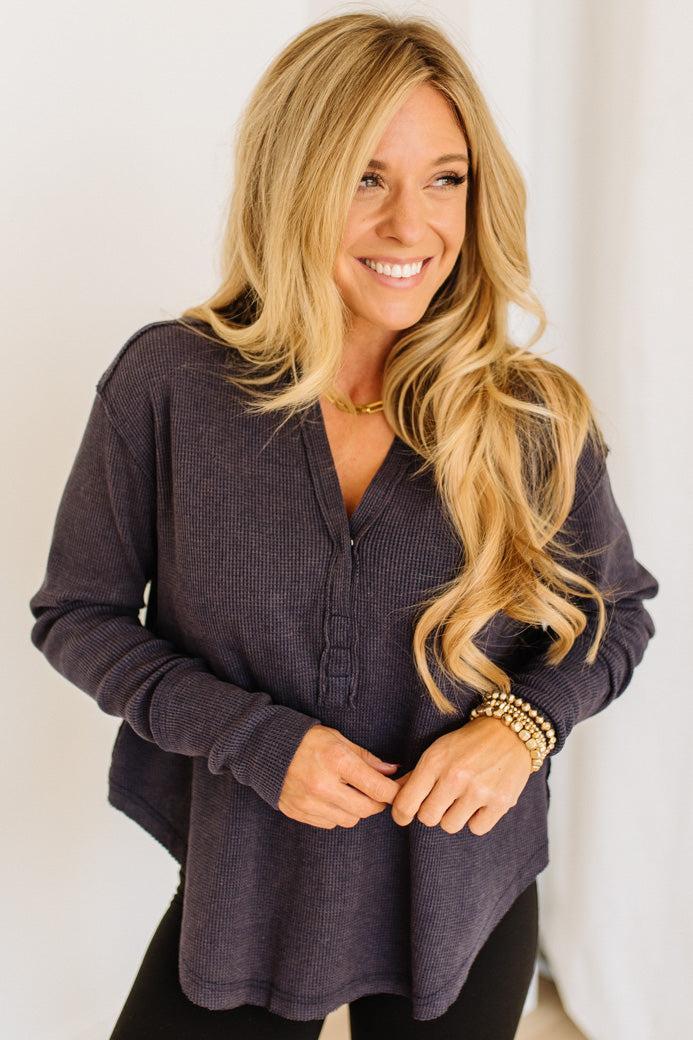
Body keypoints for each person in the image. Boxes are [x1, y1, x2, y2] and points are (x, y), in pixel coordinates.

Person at [28, 11, 659, 1039]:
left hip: (464, 896)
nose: (412, 225)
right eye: (366, 176)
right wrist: (253, 737)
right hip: (246, 887)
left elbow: (615, 612)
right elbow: (78, 614)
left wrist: (523, 724)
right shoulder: (171, 387)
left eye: (446, 178)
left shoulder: (528, 413)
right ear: (293, 182)